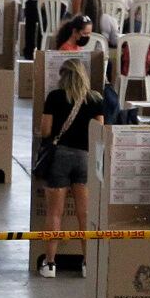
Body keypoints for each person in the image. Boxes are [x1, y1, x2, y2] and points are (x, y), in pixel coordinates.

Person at [35, 57, 103, 279]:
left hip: (60, 156)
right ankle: (87, 263)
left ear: (63, 75)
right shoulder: (95, 99)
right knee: (85, 214)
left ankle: (50, 264)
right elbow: (99, 131)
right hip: (84, 157)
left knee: (55, 213)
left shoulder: (55, 97)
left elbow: (46, 131)